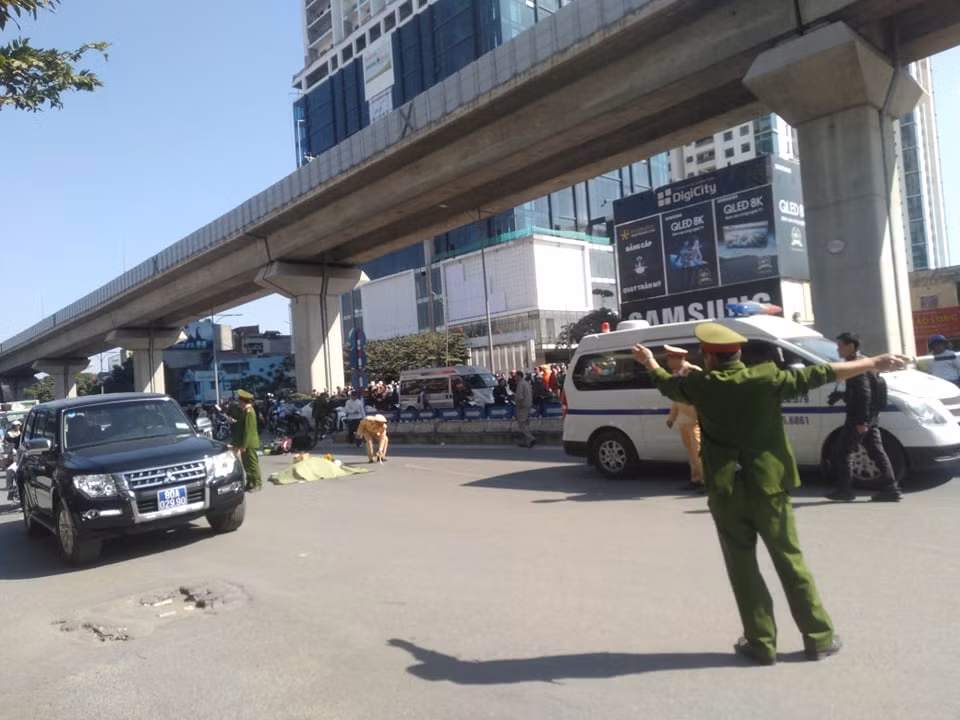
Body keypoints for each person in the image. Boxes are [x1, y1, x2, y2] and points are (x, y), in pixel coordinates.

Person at [631, 322, 909, 666]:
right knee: (790, 561)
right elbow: (824, 373)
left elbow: (666, 385)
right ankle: (818, 637)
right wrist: (874, 363)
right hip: (769, 487)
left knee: (742, 567)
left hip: (726, 489)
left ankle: (760, 642)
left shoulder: (700, 385)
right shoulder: (767, 379)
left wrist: (649, 362)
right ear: (738, 354)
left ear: (708, 357)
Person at [827, 332, 902, 503]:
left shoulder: (856, 365)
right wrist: (842, 396)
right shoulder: (864, 362)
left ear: (851, 346)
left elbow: (864, 394)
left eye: (840, 346)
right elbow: (861, 391)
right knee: (876, 450)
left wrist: (861, 421)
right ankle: (891, 489)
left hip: (858, 417)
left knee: (842, 451)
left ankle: (845, 491)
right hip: (871, 415)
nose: (838, 349)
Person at [663, 345, 704, 493]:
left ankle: (706, 481)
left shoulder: (692, 372)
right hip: (683, 421)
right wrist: (671, 418)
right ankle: (696, 479)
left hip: (695, 421)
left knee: (699, 451)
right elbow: (676, 400)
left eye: (669, 359)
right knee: (691, 452)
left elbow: (703, 396)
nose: (668, 363)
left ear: (677, 359)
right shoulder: (675, 375)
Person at [230, 389, 262, 493]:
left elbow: (248, 430)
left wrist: (244, 445)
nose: (239, 404)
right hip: (246, 443)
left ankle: (257, 483)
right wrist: (233, 421)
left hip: (249, 443)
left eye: (240, 402)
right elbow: (241, 424)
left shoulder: (249, 412)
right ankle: (250, 483)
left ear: (244, 402)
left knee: (252, 465)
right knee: (247, 465)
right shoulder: (245, 412)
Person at [514, 371, 536, 448]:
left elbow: (520, 397)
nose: (514, 377)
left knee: (522, 423)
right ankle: (527, 441)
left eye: (516, 376)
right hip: (528, 404)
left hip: (522, 406)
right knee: (526, 423)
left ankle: (530, 438)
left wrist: (518, 405)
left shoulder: (520, 384)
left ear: (519, 376)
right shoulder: (526, 383)